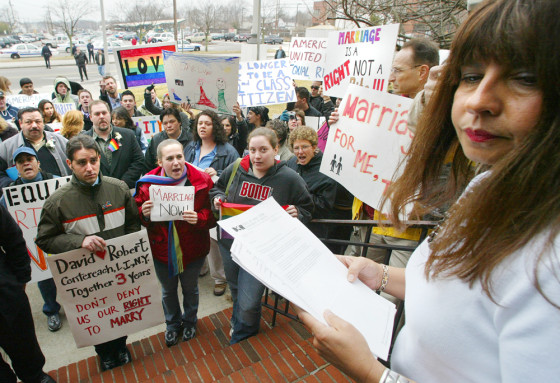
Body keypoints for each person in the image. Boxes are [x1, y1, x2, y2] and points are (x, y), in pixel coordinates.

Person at [297, 0, 560, 381]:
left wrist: (373, 373)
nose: (478, 100)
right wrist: (380, 275)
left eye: (525, 78)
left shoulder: (548, 266)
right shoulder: (488, 182)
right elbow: (450, 282)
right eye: (470, 76)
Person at [36, 135, 140, 372]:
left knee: (120, 311)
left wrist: (126, 252)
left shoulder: (119, 188)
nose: (89, 167)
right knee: (97, 317)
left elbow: (133, 224)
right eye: (82, 162)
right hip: (85, 277)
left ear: (100, 158)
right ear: (69, 163)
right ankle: (104, 353)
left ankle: (121, 346)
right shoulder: (57, 202)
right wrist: (79, 241)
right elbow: (44, 239)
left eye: (93, 160)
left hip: (118, 271)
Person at [210, 127, 313, 344]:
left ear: (276, 149)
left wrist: (298, 213)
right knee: (236, 288)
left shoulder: (289, 178)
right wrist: (217, 198)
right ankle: (239, 321)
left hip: (261, 252)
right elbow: (217, 188)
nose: (257, 156)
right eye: (252, 150)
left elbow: (307, 207)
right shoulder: (236, 167)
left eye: (263, 149)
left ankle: (242, 336)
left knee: (249, 300)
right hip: (230, 243)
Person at [134, 139, 216, 347]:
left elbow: (214, 214)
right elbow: (138, 217)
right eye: (169, 159)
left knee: (190, 288)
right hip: (162, 249)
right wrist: (144, 214)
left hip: (193, 248)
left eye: (179, 156)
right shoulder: (146, 184)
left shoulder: (203, 180)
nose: (176, 162)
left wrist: (200, 218)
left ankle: (190, 322)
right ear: (160, 161)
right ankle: (172, 324)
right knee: (168, 291)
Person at [0, 107, 70, 329]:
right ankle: (51, 309)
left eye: (30, 160)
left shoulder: (59, 183)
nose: (26, 164)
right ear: (15, 168)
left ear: (38, 162)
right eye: (21, 162)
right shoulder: (8, 197)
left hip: (60, 236)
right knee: (45, 278)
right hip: (35, 245)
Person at [184, 110, 239, 296]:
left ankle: (219, 278)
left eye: (207, 123)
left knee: (214, 239)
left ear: (214, 126)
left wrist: (216, 174)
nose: (202, 126)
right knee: (194, 233)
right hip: (192, 198)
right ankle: (201, 266)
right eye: (200, 123)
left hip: (213, 200)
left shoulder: (228, 151)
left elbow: (234, 178)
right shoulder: (191, 147)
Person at [0, 202, 56, 383]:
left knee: (21, 341)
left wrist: (20, 278)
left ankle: (35, 376)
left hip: (4, 293)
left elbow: (13, 238)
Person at [286, 126, 336, 239]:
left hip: (315, 230)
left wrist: (300, 202)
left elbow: (324, 205)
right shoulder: (291, 163)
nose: (300, 152)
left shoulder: (326, 169)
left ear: (314, 147)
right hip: (293, 227)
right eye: (296, 148)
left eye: (304, 147)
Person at [83, 100, 144, 189]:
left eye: (104, 113)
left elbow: (139, 160)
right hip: (97, 192)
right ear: (90, 117)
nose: (101, 116)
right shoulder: (83, 140)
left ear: (109, 114)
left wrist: (124, 182)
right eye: (97, 114)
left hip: (125, 190)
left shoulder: (128, 135)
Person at [144, 108, 192, 173]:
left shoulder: (191, 138)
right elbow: (148, 165)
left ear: (179, 122)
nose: (169, 126)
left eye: (172, 122)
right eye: (165, 123)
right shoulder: (156, 140)